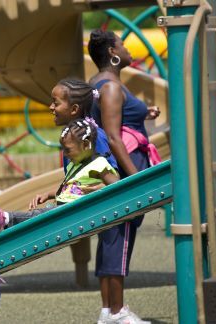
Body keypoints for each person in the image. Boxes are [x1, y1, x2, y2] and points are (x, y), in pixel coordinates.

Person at [0, 119, 118, 247]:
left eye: (68, 149)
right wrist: (47, 194)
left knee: (40, 216)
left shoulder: (100, 164)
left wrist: (98, 189)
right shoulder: (76, 165)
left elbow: (117, 186)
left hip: (73, 214)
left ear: (86, 144)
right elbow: (67, 188)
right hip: (63, 209)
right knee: (36, 217)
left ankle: (3, 218)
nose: (65, 154)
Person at [88, 29, 159, 324]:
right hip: (122, 173)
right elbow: (115, 139)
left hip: (111, 171)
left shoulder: (98, 84)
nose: (129, 50)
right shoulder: (112, 87)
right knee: (120, 237)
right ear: (113, 54)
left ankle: (108, 310)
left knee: (112, 238)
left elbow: (112, 124)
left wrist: (142, 114)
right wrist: (135, 181)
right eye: (124, 46)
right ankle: (118, 312)